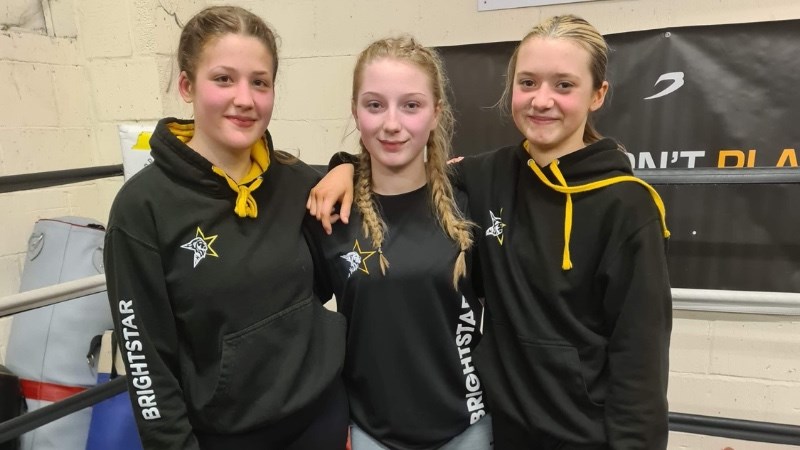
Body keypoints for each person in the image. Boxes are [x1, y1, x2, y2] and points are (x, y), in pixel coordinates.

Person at [308, 15, 672, 450]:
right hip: (508, 428)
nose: (542, 100)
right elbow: (405, 166)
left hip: (584, 435)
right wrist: (345, 166)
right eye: (528, 82)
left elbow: (641, 360)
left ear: (598, 94)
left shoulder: (628, 206)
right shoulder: (489, 176)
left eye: (564, 85)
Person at [103, 6, 348, 450]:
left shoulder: (296, 181)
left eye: (260, 82)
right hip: (227, 437)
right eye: (223, 79)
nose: (245, 98)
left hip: (321, 421)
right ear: (186, 86)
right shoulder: (142, 208)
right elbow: (147, 364)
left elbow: (341, 275)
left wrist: (348, 166)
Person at [305, 36, 492, 450]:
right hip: (371, 432)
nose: (392, 123)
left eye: (411, 105)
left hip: (467, 427)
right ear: (355, 111)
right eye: (375, 105)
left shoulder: (469, 202)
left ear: (435, 113)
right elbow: (299, 323)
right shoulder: (332, 212)